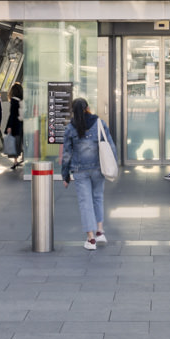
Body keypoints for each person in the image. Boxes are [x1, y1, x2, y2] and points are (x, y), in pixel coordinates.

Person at [61, 98, 117, 250]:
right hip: (98, 169)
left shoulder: (70, 128)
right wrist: (114, 165)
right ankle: (100, 231)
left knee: (85, 202)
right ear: (87, 108)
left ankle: (91, 239)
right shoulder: (99, 122)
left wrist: (65, 175)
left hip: (80, 170)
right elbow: (110, 145)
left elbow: (66, 154)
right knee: (98, 197)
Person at [4, 82, 24, 170]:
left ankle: (15, 161)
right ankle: (21, 158)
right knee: (19, 142)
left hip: (15, 124)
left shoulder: (13, 101)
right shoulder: (22, 100)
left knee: (14, 143)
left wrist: (9, 126)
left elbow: (12, 115)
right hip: (21, 123)